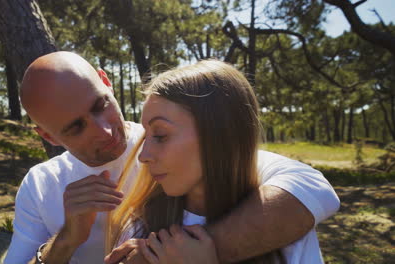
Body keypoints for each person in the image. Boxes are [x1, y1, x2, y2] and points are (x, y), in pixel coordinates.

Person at [3, 51, 340, 264]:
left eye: (100, 105)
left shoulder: (190, 150)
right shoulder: (40, 186)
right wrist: (66, 240)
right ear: (48, 137)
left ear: (107, 83)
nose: (105, 132)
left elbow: (311, 188)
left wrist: (179, 255)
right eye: (76, 127)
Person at [106, 60, 329, 264]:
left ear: (219, 134)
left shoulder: (286, 227)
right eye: (146, 135)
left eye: (161, 135)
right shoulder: (140, 230)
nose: (143, 156)